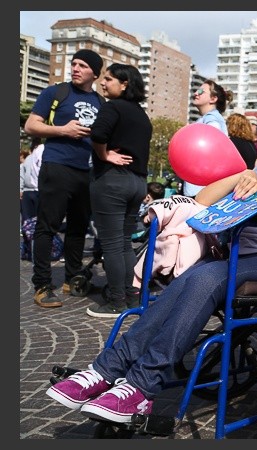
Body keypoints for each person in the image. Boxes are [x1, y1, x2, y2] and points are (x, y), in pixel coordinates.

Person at [45, 98, 257, 424]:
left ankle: (142, 385)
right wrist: (241, 177)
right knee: (187, 278)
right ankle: (106, 369)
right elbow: (200, 200)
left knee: (207, 277)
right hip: (239, 257)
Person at [24, 49, 106, 308]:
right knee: (47, 226)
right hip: (57, 165)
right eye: (74, 64)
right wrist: (63, 129)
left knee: (78, 228)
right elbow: (31, 125)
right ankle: (43, 284)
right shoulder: (56, 92)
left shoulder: (99, 102)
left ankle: (72, 278)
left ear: (95, 72)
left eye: (82, 65)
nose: (75, 68)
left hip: (86, 171)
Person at [84, 63, 153, 318]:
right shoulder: (141, 115)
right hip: (137, 183)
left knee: (113, 244)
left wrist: (104, 154)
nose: (103, 83)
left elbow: (98, 133)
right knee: (125, 242)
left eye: (109, 79)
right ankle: (130, 296)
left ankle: (116, 301)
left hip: (113, 182)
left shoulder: (112, 107)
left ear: (124, 84)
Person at [183, 79, 232, 198]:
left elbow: (212, 138)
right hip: (201, 188)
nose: (196, 93)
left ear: (213, 99)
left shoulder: (211, 117)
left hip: (201, 189)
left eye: (201, 91)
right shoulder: (208, 118)